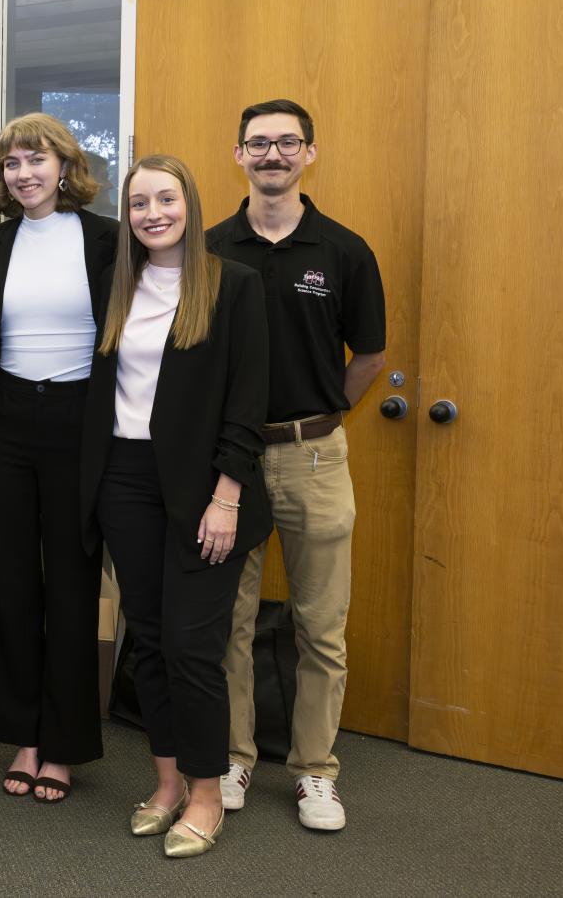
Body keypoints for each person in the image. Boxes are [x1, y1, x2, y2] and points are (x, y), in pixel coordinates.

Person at [82, 154, 271, 858]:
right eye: (139, 203)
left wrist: (227, 495)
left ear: (189, 205)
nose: (153, 212)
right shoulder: (117, 285)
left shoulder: (233, 285)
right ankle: (165, 782)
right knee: (153, 640)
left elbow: (249, 401)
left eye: (165, 198)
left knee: (194, 647)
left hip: (204, 489)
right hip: (124, 480)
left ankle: (205, 790)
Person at [206, 99, 386, 831]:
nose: (272, 154)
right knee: (230, 620)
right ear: (239, 154)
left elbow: (369, 354)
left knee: (321, 626)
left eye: (287, 142)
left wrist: (321, 415)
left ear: (310, 153)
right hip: (230, 464)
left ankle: (315, 772)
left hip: (315, 455)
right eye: (259, 143)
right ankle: (232, 755)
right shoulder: (210, 246)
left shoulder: (344, 251)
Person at [0, 112, 119, 803]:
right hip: (6, 423)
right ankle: (23, 734)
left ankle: (62, 744)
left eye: (37, 159)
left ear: (65, 166)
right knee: (7, 581)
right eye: (11, 163)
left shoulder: (108, 240)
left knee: (69, 583)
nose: (24, 173)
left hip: (78, 421)